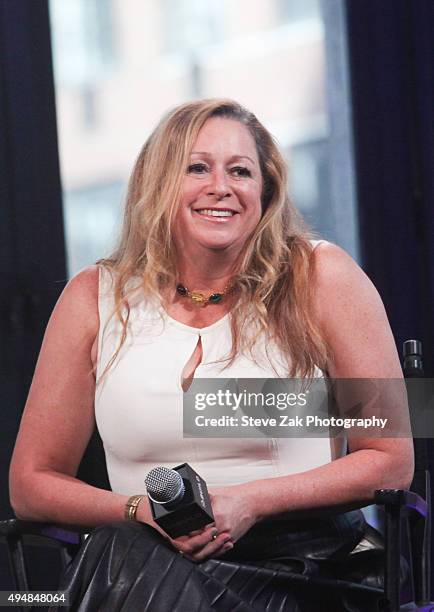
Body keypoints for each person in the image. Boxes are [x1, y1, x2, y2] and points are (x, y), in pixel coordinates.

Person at [9, 99, 413, 611]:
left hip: (302, 565)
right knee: (128, 553)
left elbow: (390, 460)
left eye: (240, 171)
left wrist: (249, 502)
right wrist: (138, 511)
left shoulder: (321, 277)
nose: (220, 186)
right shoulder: (94, 297)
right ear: (158, 185)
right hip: (141, 561)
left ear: (264, 191)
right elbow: (31, 483)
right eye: (197, 167)